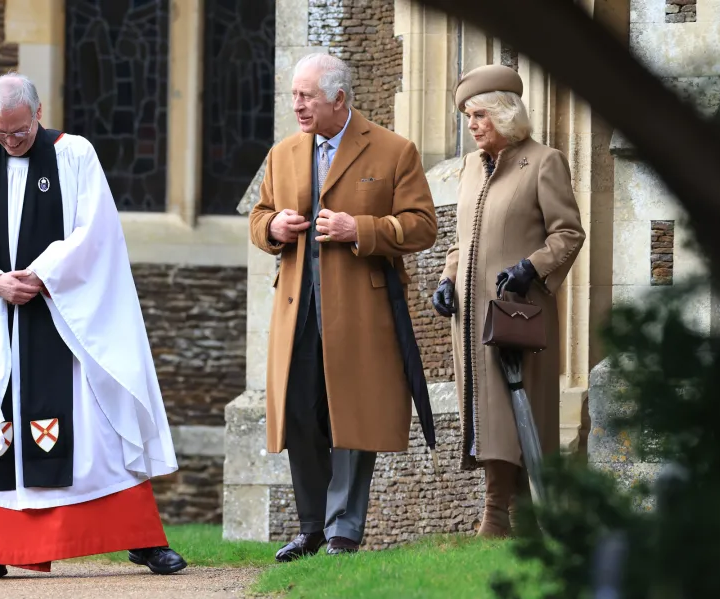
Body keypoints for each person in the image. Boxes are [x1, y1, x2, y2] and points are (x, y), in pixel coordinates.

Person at [0, 72, 187, 577]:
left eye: (20, 131)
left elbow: (97, 234)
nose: (10, 141)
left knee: (99, 432)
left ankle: (141, 539)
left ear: (38, 113)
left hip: (66, 318)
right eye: (0, 132)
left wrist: (44, 274)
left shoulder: (75, 156)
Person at [249, 54, 437, 560]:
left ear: (339, 98)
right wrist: (272, 228)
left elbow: (422, 225)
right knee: (301, 412)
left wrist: (364, 230)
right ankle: (312, 526)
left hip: (361, 313)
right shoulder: (283, 152)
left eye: (306, 96)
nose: (297, 105)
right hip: (297, 309)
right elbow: (259, 214)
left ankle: (343, 531)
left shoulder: (395, 151)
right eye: (294, 95)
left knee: (351, 416)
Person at [431, 64, 586, 537]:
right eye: (466, 117)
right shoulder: (470, 171)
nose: (472, 125)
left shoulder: (543, 161)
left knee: (515, 410)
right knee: (485, 411)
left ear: (504, 113)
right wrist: (446, 278)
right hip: (472, 313)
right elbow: (462, 240)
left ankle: (499, 514)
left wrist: (530, 268)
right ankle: (514, 514)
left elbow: (569, 233)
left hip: (519, 312)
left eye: (478, 115)